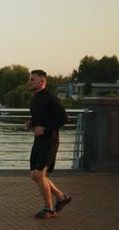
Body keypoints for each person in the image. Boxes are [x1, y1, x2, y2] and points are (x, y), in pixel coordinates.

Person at [25, 69, 72, 219]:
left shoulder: (50, 98)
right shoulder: (35, 99)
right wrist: (31, 123)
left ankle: (49, 209)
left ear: (42, 81)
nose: (29, 82)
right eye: (30, 79)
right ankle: (61, 197)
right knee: (35, 175)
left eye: (32, 79)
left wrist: (45, 128)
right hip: (39, 140)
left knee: (39, 174)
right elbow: (40, 118)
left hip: (49, 141)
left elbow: (63, 119)